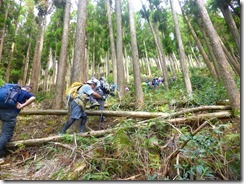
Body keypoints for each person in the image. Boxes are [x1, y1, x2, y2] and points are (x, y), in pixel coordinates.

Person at [0, 85, 35, 164]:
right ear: (28, 89)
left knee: (6, 135)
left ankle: (5, 149)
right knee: (6, 135)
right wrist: (23, 105)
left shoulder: (10, 88)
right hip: (9, 115)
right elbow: (33, 98)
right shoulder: (24, 92)